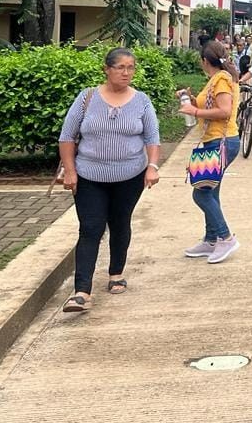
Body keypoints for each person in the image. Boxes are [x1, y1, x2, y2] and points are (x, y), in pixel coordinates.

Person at [58, 48, 161, 313]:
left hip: (129, 176)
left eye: (131, 68)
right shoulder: (87, 98)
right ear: (107, 69)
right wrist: (70, 171)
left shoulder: (141, 101)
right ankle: (81, 291)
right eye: (120, 67)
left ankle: (116, 272)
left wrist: (152, 166)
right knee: (90, 228)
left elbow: (152, 138)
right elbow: (67, 137)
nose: (126, 73)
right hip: (90, 175)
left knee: (119, 222)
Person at [178, 41, 241, 263]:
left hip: (221, 141)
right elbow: (213, 108)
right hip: (215, 141)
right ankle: (211, 239)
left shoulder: (222, 79)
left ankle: (225, 237)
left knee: (201, 193)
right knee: (211, 193)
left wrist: (194, 110)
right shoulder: (217, 79)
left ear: (205, 61)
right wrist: (193, 101)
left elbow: (224, 111)